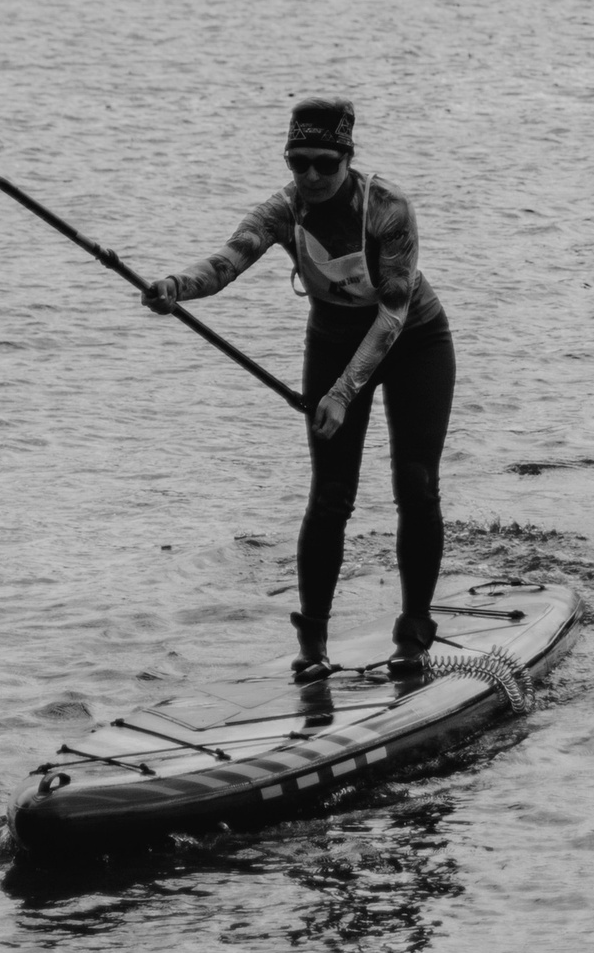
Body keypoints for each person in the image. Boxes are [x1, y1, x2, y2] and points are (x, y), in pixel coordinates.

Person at [141, 98, 454, 679]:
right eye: (298, 162)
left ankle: (412, 637)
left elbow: (391, 316)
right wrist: (174, 287)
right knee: (331, 494)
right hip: (332, 341)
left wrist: (342, 393)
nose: (310, 175)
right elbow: (226, 262)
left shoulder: (388, 208)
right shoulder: (283, 211)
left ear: (348, 159)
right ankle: (313, 646)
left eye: (324, 163)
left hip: (414, 343)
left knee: (416, 485)